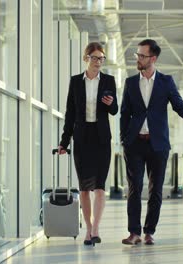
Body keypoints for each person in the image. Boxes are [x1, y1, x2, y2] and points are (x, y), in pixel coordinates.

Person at [120, 39, 183, 245]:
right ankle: (134, 232)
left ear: (153, 58)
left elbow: (178, 104)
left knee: (156, 190)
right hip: (134, 143)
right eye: (137, 55)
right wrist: (124, 139)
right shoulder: (130, 83)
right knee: (134, 188)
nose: (138, 59)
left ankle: (149, 231)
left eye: (142, 56)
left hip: (158, 144)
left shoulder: (166, 82)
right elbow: (125, 113)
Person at [58, 42, 118, 246]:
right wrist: (64, 142)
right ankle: (87, 227)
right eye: (94, 58)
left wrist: (111, 104)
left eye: (101, 58)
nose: (98, 62)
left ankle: (95, 229)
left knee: (100, 186)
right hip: (82, 138)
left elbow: (115, 110)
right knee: (84, 188)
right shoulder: (75, 82)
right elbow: (70, 113)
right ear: (86, 59)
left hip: (101, 138)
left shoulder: (109, 80)